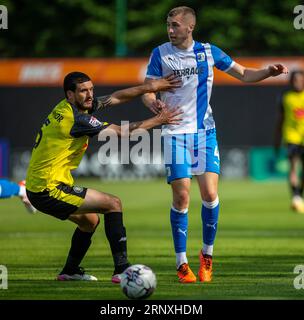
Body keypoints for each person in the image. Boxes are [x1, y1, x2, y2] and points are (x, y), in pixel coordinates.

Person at [142, 6, 288, 283]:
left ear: (189, 27)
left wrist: (268, 71)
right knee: (182, 196)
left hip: (203, 133)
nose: (170, 30)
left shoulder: (209, 52)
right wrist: (155, 104)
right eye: (168, 25)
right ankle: (181, 263)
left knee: (210, 195)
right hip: (174, 132)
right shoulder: (160, 53)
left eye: (174, 25)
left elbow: (244, 74)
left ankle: (207, 256)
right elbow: (146, 91)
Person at [25, 71, 182, 282]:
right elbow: (122, 133)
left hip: (40, 187)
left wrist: (149, 87)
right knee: (113, 203)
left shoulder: (70, 107)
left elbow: (116, 97)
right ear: (70, 95)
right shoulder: (76, 119)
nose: (89, 95)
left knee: (89, 222)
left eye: (91, 89)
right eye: (83, 91)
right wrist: (160, 119)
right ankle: (122, 270)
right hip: (48, 189)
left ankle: (69, 271)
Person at [274, 70, 304, 214]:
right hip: (292, 137)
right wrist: (276, 140)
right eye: (294, 80)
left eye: (299, 80)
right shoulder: (285, 97)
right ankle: (296, 196)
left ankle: (299, 195)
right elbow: (280, 120)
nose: (297, 82)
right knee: (293, 167)